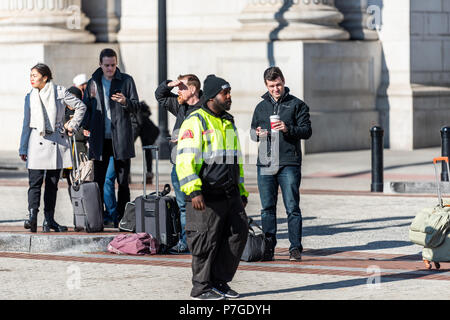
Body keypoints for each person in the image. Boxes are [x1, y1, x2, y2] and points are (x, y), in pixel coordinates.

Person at [176, 74, 249, 300]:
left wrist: (242, 190)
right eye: (224, 93)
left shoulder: (228, 121)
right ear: (211, 96)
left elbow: (235, 160)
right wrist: (194, 190)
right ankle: (201, 287)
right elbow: (185, 160)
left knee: (239, 232)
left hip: (229, 193)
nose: (228, 97)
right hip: (205, 196)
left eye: (229, 93)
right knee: (205, 242)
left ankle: (219, 281)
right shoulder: (195, 121)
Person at [250, 66, 312, 262]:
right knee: (267, 208)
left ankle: (295, 248)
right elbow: (252, 132)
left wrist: (288, 128)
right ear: (266, 86)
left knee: (292, 207)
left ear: (284, 82)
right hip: (265, 162)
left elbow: (307, 131)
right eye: (271, 86)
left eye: (278, 85)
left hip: (289, 162)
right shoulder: (261, 107)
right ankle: (268, 248)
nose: (275, 89)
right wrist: (257, 134)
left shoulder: (297, 105)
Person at [19, 63, 86, 232]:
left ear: (45, 77)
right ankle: (32, 216)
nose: (32, 78)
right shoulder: (29, 96)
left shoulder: (59, 92)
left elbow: (81, 106)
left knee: (52, 184)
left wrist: (72, 125)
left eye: (35, 75)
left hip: (56, 141)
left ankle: (49, 220)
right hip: (36, 141)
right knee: (34, 183)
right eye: (31, 75)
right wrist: (23, 147)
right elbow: (26, 124)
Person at [82, 48, 141, 224]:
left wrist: (125, 102)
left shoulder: (126, 81)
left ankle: (123, 219)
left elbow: (137, 106)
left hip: (121, 138)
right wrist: (83, 128)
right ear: (100, 64)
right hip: (100, 140)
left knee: (123, 182)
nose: (110, 69)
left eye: (113, 65)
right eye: (106, 65)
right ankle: (99, 218)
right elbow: (86, 108)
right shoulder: (93, 82)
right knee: (98, 182)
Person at [155, 74, 201, 254]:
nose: (177, 91)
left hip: (197, 166)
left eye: (181, 87)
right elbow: (160, 95)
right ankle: (186, 241)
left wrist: (183, 138)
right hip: (179, 165)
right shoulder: (179, 104)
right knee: (183, 206)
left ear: (193, 89)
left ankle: (201, 240)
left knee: (198, 206)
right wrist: (170, 84)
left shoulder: (205, 108)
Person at [130, 101, 160, 185]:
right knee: (147, 152)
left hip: (146, 131)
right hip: (145, 129)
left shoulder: (137, 116)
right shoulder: (138, 115)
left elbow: (139, 124)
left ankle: (148, 175)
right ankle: (148, 175)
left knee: (146, 151)